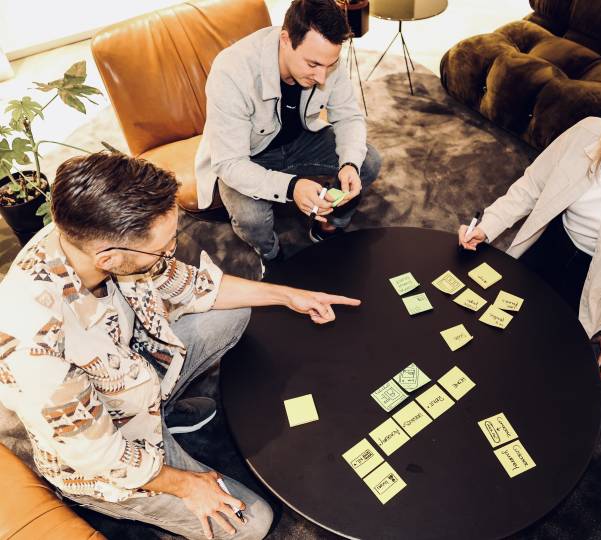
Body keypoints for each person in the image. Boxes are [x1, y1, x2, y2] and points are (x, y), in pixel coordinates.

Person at [0, 152, 362, 540]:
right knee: (252, 525)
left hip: (129, 375)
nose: (172, 251)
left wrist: (288, 295)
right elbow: (99, 456)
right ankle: (130, 483)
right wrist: (188, 485)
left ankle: (164, 411)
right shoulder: (32, 344)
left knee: (236, 312)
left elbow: (193, 286)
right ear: (109, 256)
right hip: (104, 454)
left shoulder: (90, 236)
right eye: (164, 247)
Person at [457, 74, 601, 381]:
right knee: (493, 322)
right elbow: (532, 186)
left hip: (596, 277)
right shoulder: (587, 131)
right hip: (553, 240)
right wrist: (487, 226)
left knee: (543, 357)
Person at [195, 0, 381, 263]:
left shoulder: (324, 59)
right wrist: (292, 186)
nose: (322, 78)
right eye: (313, 65)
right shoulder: (231, 71)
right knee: (252, 218)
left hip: (301, 139)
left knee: (367, 161)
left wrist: (349, 163)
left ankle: (329, 224)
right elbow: (229, 162)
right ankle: (271, 255)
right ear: (285, 39)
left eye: (330, 65)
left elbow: (348, 117)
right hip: (249, 155)